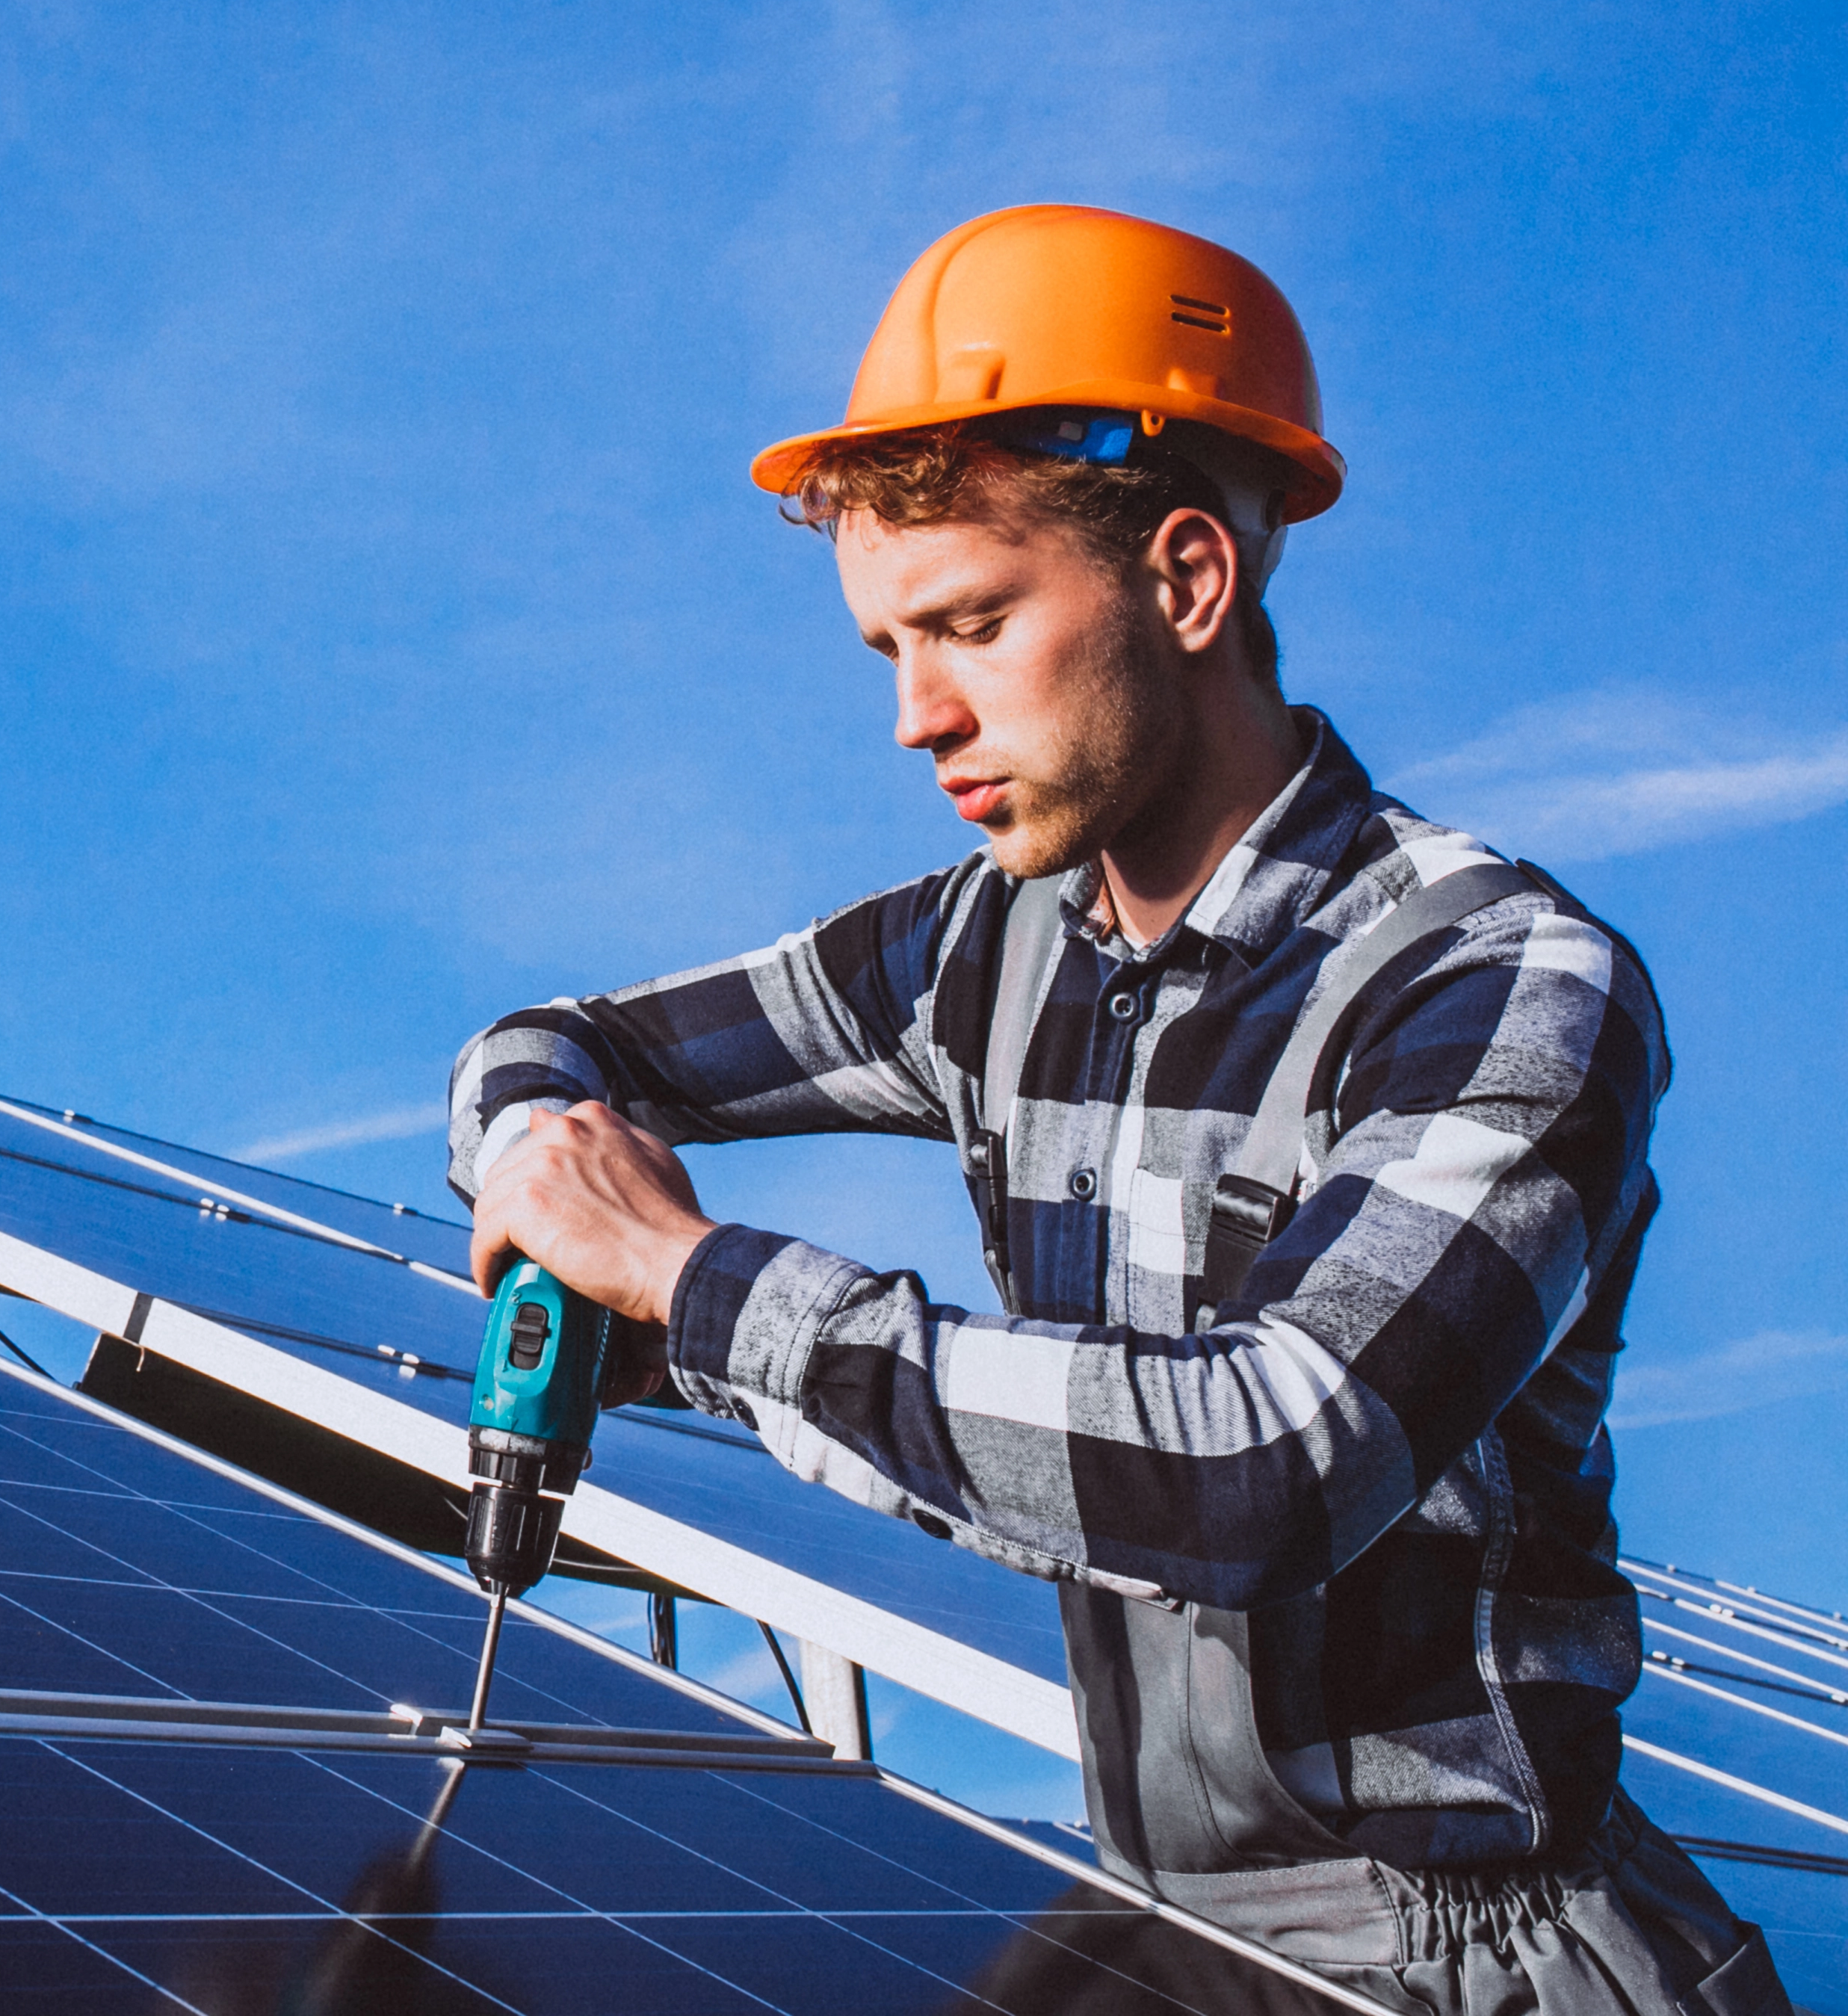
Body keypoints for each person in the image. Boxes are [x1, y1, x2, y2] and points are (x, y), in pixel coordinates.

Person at [447, 205, 1790, 2016]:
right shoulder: (972, 958)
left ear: (1185, 582)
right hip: (1163, 1920)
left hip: (1480, 1953)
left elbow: (1269, 1466)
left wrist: (692, 1280)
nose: (919, 717)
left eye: (974, 625)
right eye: (885, 649)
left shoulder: (1495, 986)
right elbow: (556, 1038)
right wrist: (547, 1172)